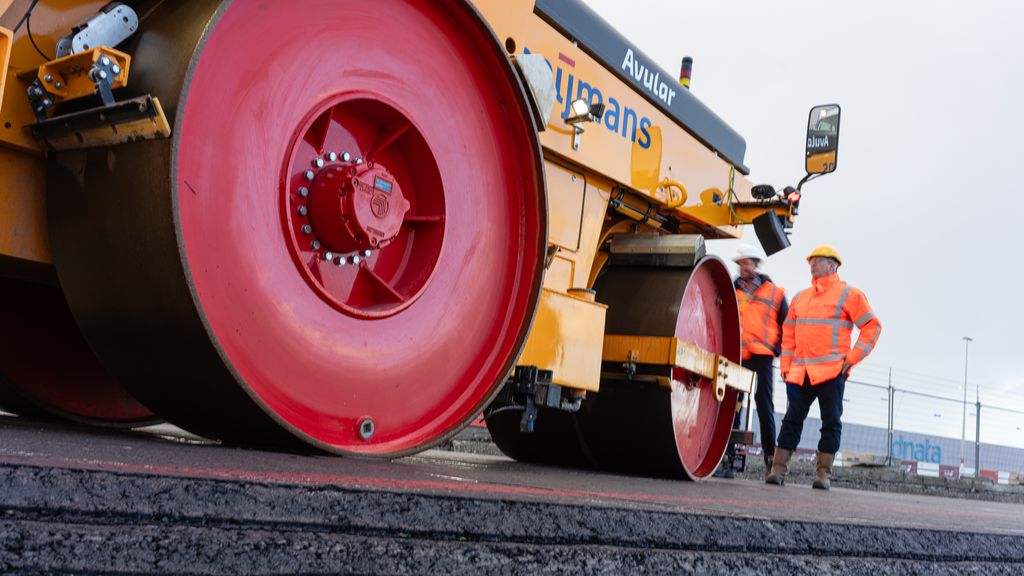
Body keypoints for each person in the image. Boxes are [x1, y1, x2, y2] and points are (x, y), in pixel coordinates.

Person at [766, 245, 881, 490]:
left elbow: (872, 326)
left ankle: (822, 475)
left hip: (832, 372)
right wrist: (786, 367)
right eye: (811, 260)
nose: (812, 264)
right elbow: (788, 335)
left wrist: (853, 357)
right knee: (791, 420)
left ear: (833, 265)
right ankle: (777, 470)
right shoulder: (800, 297)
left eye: (817, 260)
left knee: (831, 422)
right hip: (801, 373)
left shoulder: (849, 294)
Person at [714, 244, 788, 479]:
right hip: (736, 354)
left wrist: (777, 349)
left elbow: (786, 324)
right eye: (740, 263)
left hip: (763, 356)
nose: (743, 267)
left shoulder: (774, 292)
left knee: (764, 404)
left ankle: (770, 459)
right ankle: (727, 458)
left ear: (756, 265)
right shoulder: (729, 290)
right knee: (731, 404)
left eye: (747, 262)